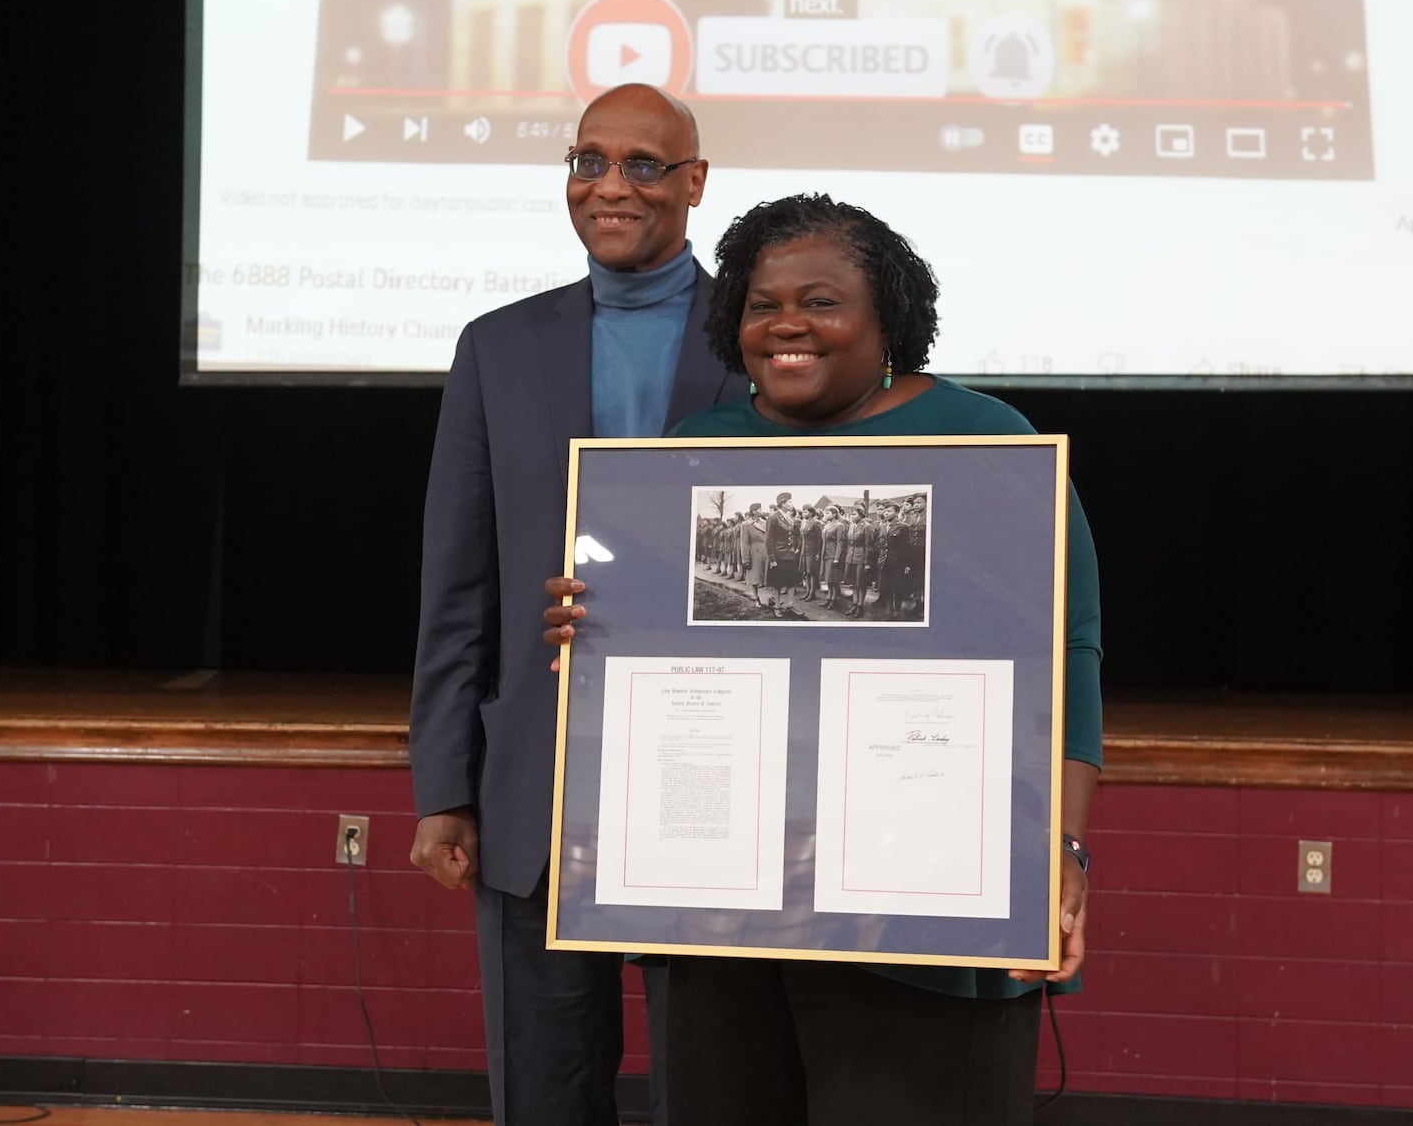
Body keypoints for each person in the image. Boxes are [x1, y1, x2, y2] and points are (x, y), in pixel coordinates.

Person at [599, 192, 1103, 1124]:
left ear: (888, 321)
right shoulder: (697, 454)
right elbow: (650, 657)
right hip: (731, 905)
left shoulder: (986, 443)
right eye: (761, 303)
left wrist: (1062, 853)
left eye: (821, 301)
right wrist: (590, 635)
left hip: (929, 904)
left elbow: (1065, 655)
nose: (787, 323)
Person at [407, 82, 747, 1126]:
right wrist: (443, 783)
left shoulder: (770, 338)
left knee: (721, 1080)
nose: (610, 185)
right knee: (545, 1082)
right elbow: (458, 582)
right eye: (587, 160)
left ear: (693, 183)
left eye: (643, 165)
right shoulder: (498, 348)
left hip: (723, 759)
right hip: (540, 770)